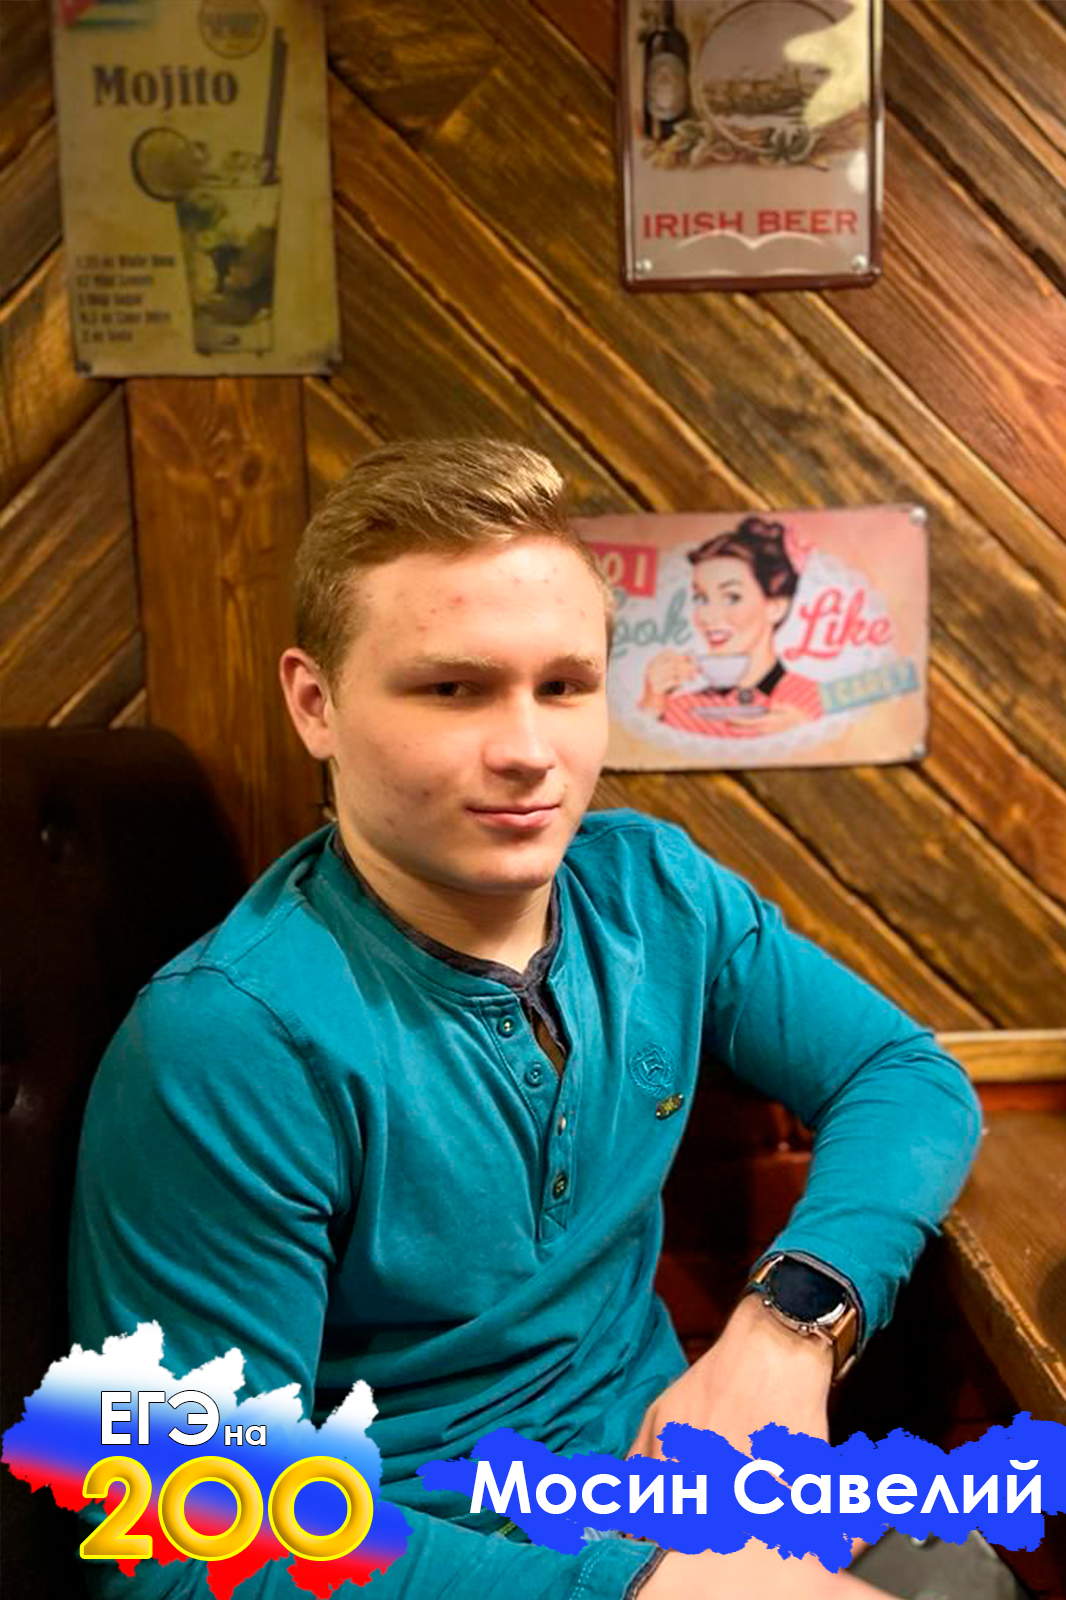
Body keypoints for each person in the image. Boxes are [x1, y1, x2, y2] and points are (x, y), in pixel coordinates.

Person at [70, 439, 982, 1600]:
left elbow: (903, 1073)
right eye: (451, 689)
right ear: (315, 703)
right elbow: (182, 1543)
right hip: (441, 1560)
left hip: (685, 1493)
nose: (527, 751)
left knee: (970, 1571)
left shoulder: (653, 890)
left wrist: (791, 1326)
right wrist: (644, 1589)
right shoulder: (227, 1040)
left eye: (562, 686)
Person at [640, 516, 822, 737]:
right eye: (701, 599)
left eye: (731, 597)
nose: (706, 616)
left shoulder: (813, 700)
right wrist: (652, 705)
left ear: (775, 607)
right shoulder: (678, 709)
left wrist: (805, 733)